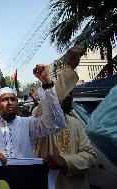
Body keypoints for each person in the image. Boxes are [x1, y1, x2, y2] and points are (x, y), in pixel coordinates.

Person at [34, 45, 97, 189]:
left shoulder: (76, 123)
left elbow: (91, 157)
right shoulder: (41, 118)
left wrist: (65, 161)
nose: (68, 98)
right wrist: (69, 68)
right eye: (64, 95)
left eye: (71, 95)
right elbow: (53, 99)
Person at [0, 64, 65, 164]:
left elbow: (56, 124)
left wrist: (47, 83)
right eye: (5, 100)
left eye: (13, 99)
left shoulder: (28, 123)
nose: (10, 102)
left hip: (23, 177)